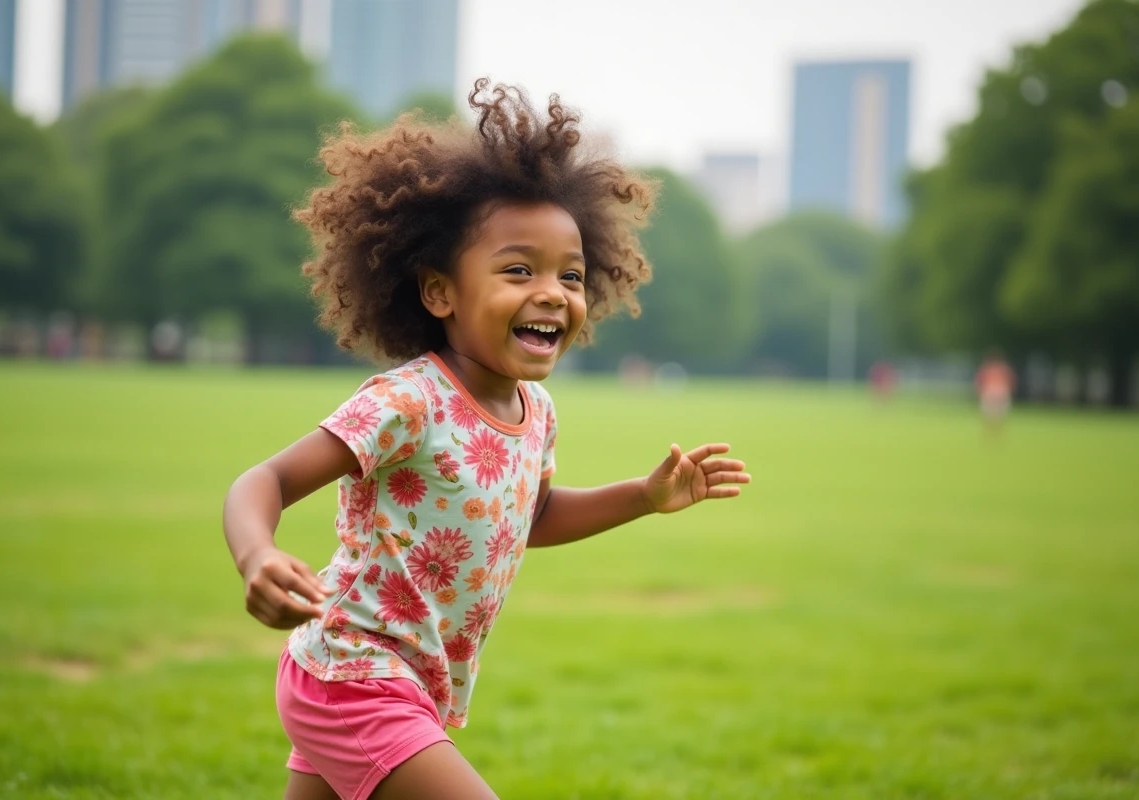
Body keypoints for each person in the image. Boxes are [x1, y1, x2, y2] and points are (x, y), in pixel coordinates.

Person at [222, 79, 752, 800]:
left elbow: (527, 518)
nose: (552, 292)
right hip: (353, 673)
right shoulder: (410, 401)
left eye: (570, 275)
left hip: (408, 680)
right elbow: (266, 481)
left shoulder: (537, 410)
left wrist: (643, 496)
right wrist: (257, 555)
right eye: (517, 270)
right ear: (440, 292)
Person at [975, 350, 1018, 435]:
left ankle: (993, 430)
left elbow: (979, 381)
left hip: (995, 391)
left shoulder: (993, 369)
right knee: (994, 412)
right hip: (997, 391)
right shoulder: (1002, 368)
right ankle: (994, 429)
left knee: (993, 412)